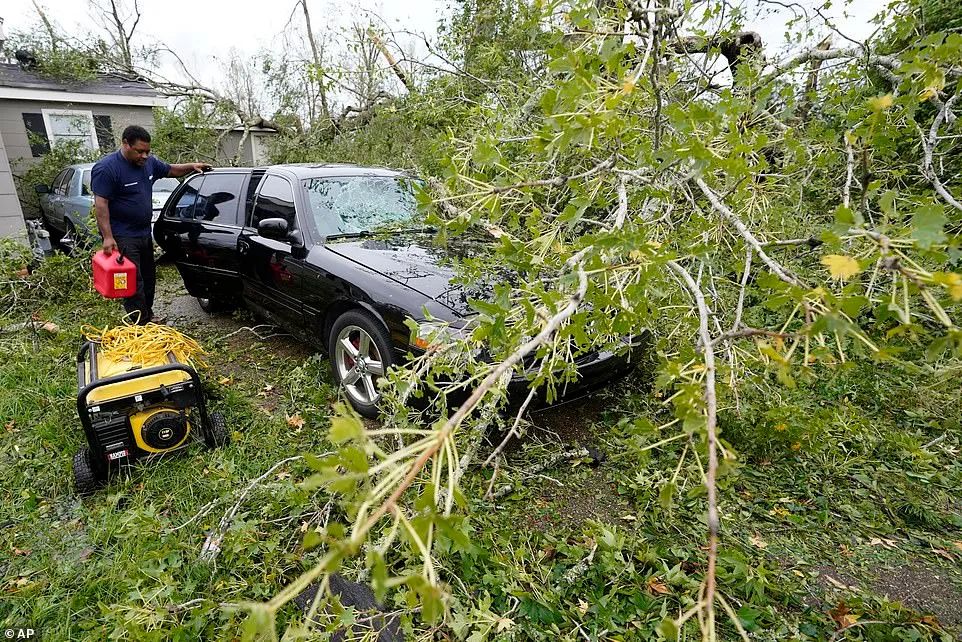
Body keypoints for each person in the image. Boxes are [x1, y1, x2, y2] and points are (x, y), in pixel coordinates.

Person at [91, 125, 211, 324]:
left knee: (148, 277)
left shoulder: (148, 164)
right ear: (125, 144)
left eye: (147, 151)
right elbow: (101, 204)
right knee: (133, 281)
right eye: (140, 151)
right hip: (123, 235)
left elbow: (171, 170)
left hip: (144, 233)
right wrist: (108, 237)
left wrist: (192, 166)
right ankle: (140, 323)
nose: (145, 156)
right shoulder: (107, 168)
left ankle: (148, 313)